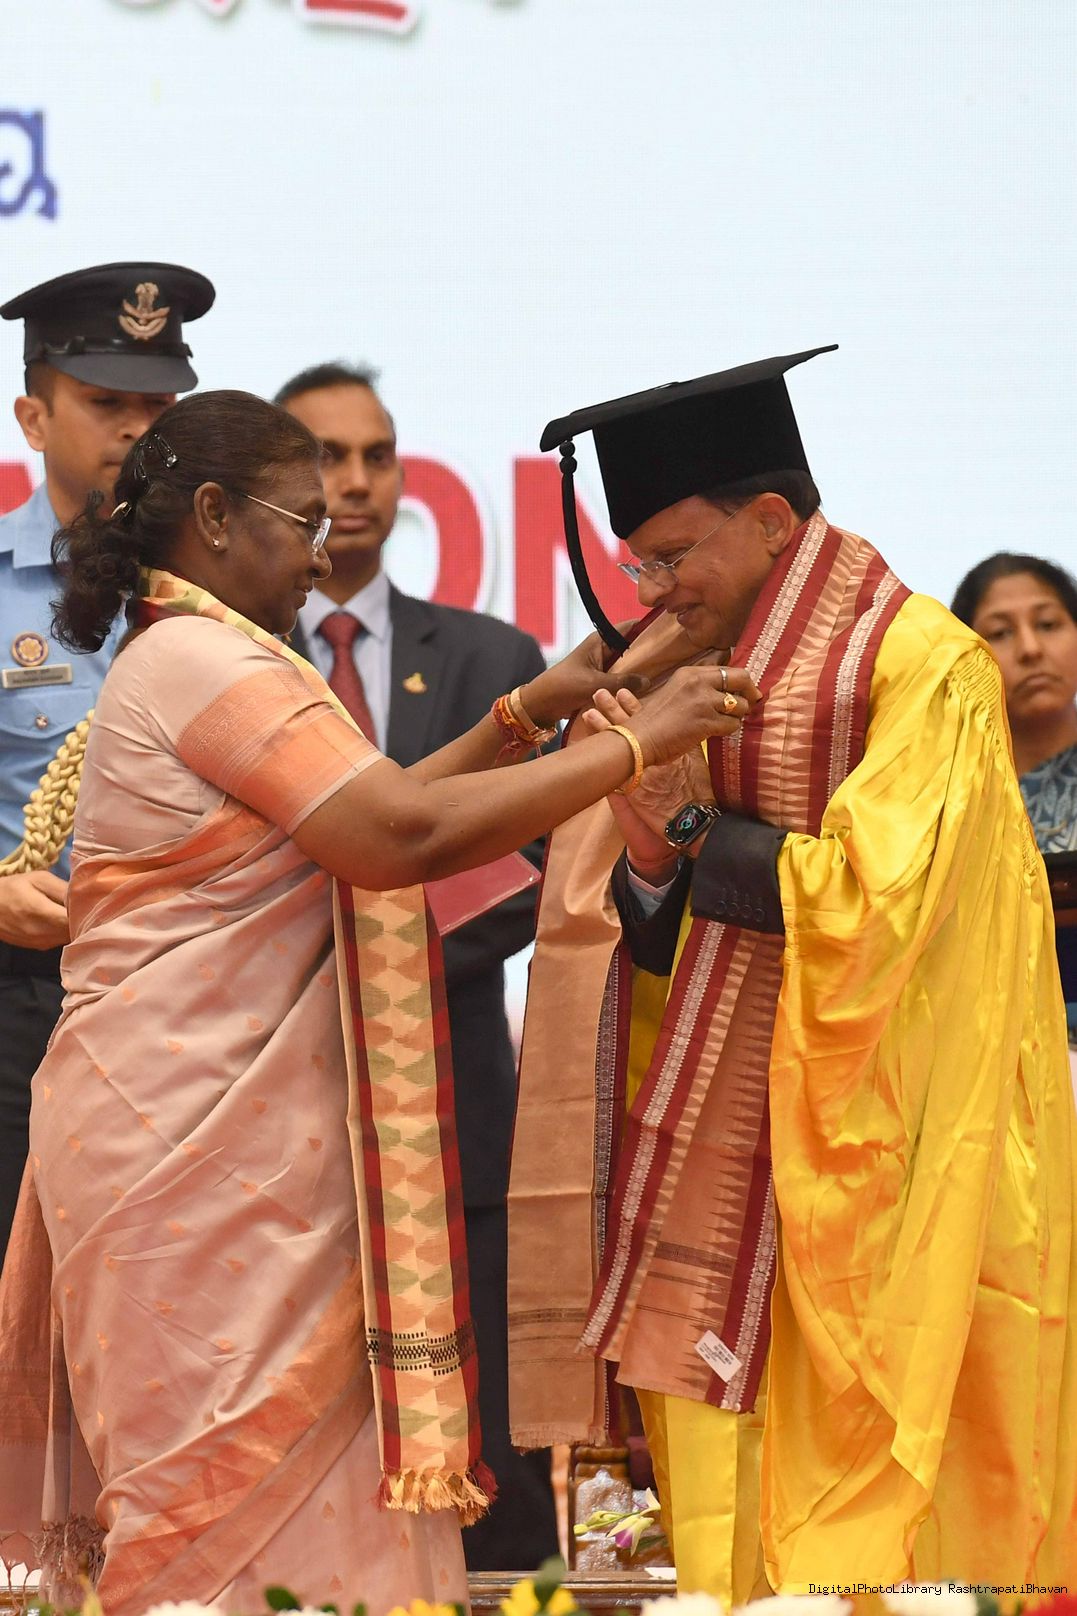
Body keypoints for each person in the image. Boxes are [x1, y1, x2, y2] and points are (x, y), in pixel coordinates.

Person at [0, 389, 751, 1616]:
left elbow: (371, 805)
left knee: (291, 1509)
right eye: (301, 521)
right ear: (213, 515)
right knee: (210, 1521)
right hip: (185, 1157)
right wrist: (630, 745)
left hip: (222, 1156)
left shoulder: (203, 653)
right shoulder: (201, 661)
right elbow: (392, 834)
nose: (322, 553)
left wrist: (539, 704)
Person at [507, 349, 1077, 1597]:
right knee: (722, 1537)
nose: (656, 589)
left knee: (882, 1533)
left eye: (674, 554)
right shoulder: (664, 668)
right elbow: (641, 931)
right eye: (639, 565)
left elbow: (874, 906)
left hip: (882, 1174)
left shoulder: (922, 667)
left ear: (771, 520)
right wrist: (646, 844)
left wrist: (691, 823)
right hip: (711, 1166)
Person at [275, 361, 557, 1571]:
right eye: (325, 457)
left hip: (454, 1106)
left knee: (486, 1455)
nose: (356, 482)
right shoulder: (229, 661)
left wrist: (352, 940)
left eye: (378, 455)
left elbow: (535, 863)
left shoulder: (495, 660)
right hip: (269, 1111)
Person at [0, 260, 215, 1260]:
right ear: (34, 419)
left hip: (202, 997)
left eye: (157, 406)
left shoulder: (233, 586)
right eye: (104, 403)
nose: (137, 429)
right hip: (30, 994)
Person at [951, 553, 1077, 1046]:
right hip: (992, 1049)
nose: (1029, 649)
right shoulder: (950, 791)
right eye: (1000, 633)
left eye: (1048, 624)